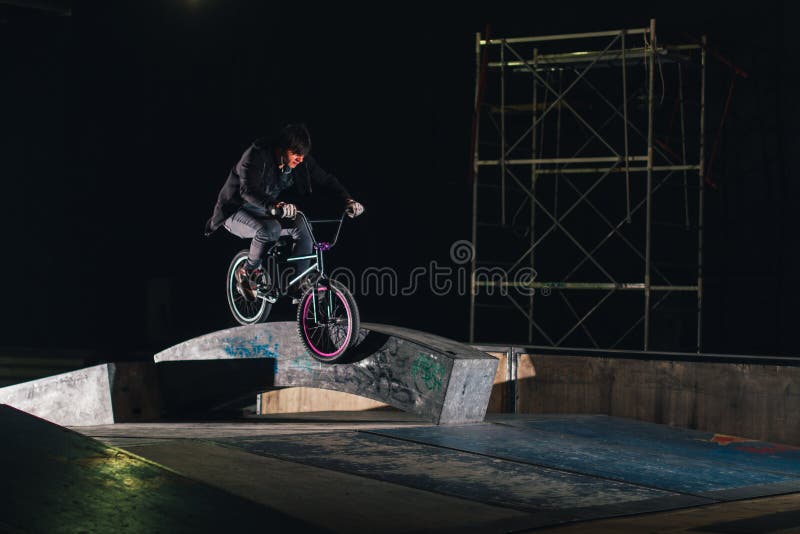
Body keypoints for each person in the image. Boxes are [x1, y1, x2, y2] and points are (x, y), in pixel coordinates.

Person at [204, 123, 364, 301]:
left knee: (303, 226)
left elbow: (326, 180)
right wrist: (274, 205)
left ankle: (299, 285)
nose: (300, 159)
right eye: (296, 154)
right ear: (282, 148)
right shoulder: (256, 154)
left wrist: (347, 200)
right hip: (234, 210)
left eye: (302, 155)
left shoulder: (301, 161)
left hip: (264, 208)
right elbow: (247, 190)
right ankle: (246, 272)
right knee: (270, 229)